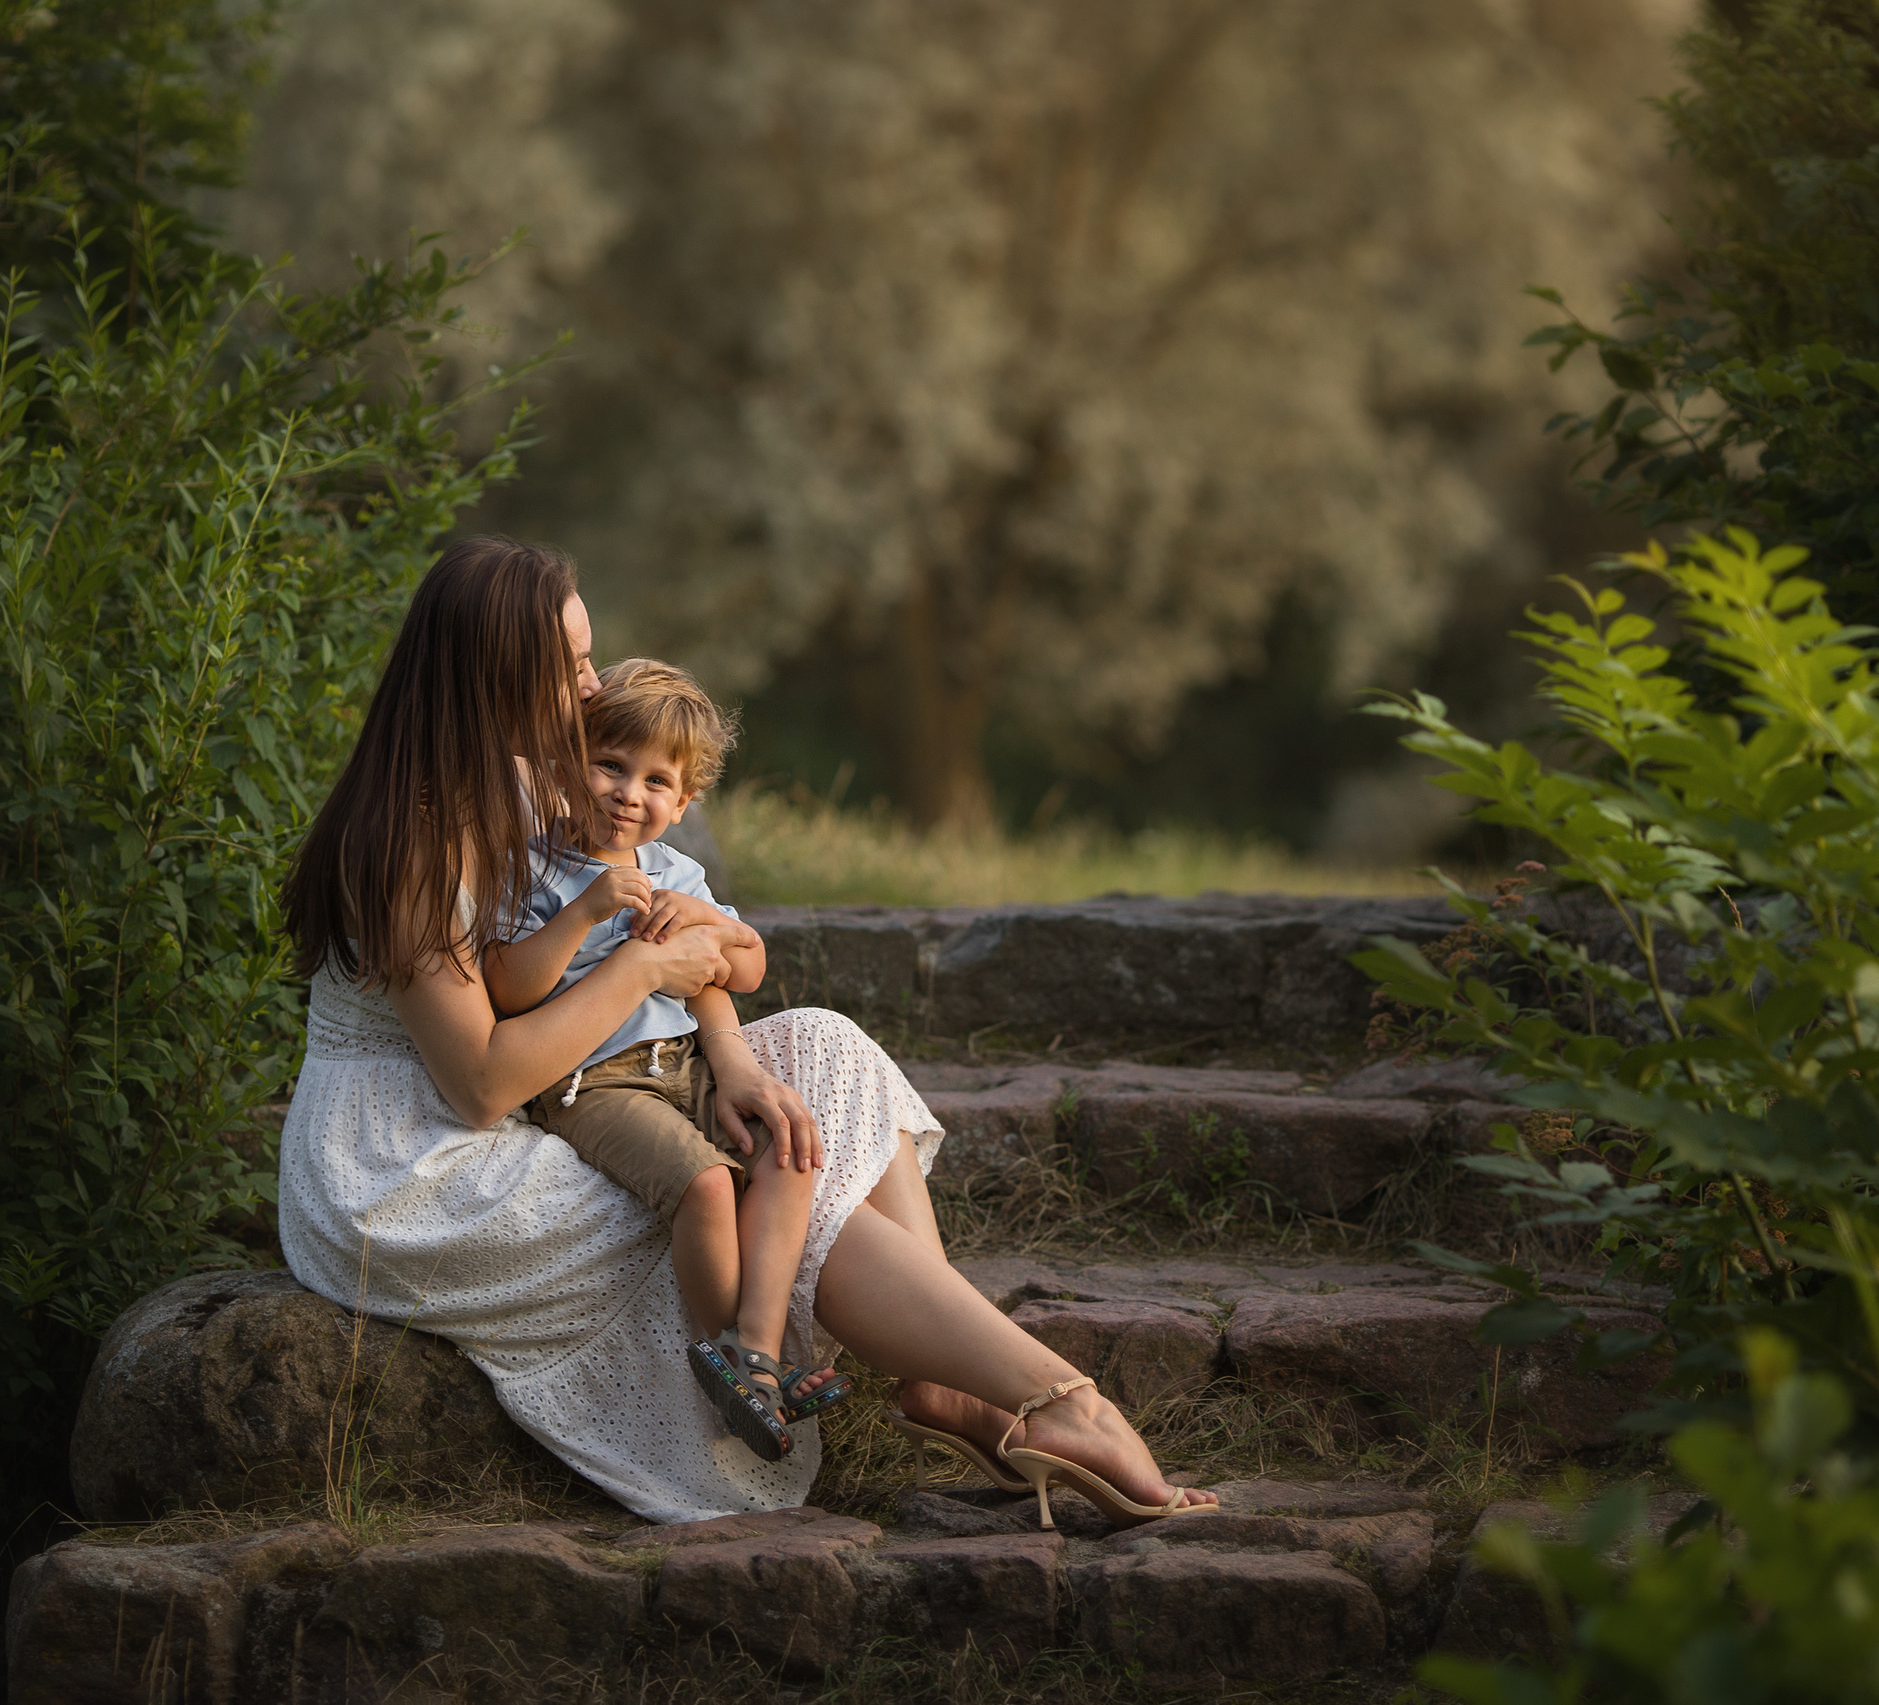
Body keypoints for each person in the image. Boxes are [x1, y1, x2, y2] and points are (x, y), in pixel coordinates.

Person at [275, 535, 1218, 1527]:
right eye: (573, 664)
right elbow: (479, 1084)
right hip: (417, 1162)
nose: (593, 682)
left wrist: (727, 1052)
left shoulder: (535, 783)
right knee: (745, 1182)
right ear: (495, 678)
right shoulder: (409, 844)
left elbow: (705, 943)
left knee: (818, 1057)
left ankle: (947, 1383)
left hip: (576, 1073)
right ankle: (1052, 1398)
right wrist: (645, 967)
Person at [484, 657, 844, 1460]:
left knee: (788, 1146)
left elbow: (748, 968)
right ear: (565, 763)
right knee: (707, 1184)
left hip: (685, 1059)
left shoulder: (677, 873)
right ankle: (735, 1367)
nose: (628, 793)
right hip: (593, 1082)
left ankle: (755, 1352)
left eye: (656, 781)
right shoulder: (531, 865)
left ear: (683, 804)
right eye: (610, 764)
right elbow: (509, 988)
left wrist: (715, 927)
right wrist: (583, 913)